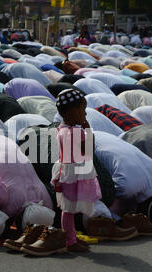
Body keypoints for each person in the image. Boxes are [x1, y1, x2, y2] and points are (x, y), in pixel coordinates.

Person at [47, 89, 102, 253]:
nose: (85, 114)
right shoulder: (76, 132)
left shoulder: (61, 128)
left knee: (69, 208)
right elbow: (89, 150)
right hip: (74, 173)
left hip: (66, 170)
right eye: (83, 110)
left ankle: (72, 237)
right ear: (72, 111)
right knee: (69, 209)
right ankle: (70, 241)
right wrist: (89, 130)